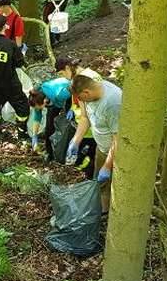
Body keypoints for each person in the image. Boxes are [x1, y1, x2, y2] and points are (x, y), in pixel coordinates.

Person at [67, 74, 122, 213]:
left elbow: (118, 139)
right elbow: (85, 118)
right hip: (102, 148)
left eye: (80, 98)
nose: (80, 101)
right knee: (101, 185)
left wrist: (108, 166)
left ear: (86, 92)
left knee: (117, 188)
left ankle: (109, 214)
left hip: (118, 154)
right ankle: (100, 212)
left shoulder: (113, 103)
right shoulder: (87, 95)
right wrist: (75, 141)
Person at [0, 14, 30, 140]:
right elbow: (19, 63)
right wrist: (21, 53)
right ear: (5, 26)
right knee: (22, 106)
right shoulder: (10, 44)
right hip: (9, 83)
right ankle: (22, 133)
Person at [56, 57, 100, 178]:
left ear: (67, 68)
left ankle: (88, 181)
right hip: (88, 127)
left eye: (62, 73)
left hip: (91, 129)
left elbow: (86, 115)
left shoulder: (80, 81)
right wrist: (71, 108)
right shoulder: (87, 75)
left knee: (90, 158)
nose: (64, 77)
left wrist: (76, 140)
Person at [28, 77, 71, 159]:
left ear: (44, 101)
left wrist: (72, 108)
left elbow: (74, 91)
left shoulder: (60, 95)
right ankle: (50, 154)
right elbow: (37, 118)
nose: (39, 110)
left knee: (69, 125)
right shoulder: (37, 96)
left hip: (69, 93)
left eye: (39, 107)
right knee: (49, 128)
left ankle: (66, 150)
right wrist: (34, 136)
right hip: (53, 102)